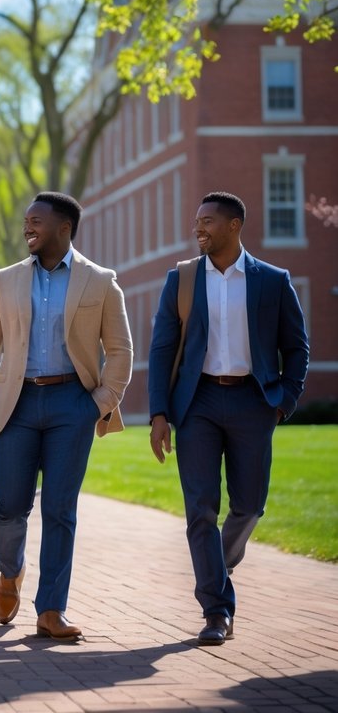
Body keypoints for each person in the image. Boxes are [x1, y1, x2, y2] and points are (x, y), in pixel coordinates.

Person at [0, 192, 132, 641]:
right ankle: (9, 571)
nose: (27, 228)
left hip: (71, 405)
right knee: (12, 505)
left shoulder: (100, 281)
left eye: (36, 221)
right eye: (25, 222)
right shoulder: (6, 280)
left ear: (64, 227)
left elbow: (120, 350)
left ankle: (51, 609)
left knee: (60, 509)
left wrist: (99, 403)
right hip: (15, 405)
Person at [147, 191, 308, 646]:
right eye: (197, 220)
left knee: (250, 504)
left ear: (234, 225)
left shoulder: (272, 281)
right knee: (200, 509)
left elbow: (297, 347)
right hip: (196, 404)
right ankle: (216, 610)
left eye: (208, 221)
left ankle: (218, 560)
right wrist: (159, 412)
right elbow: (161, 349)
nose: (198, 228)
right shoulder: (180, 279)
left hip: (252, 404)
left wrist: (284, 400)